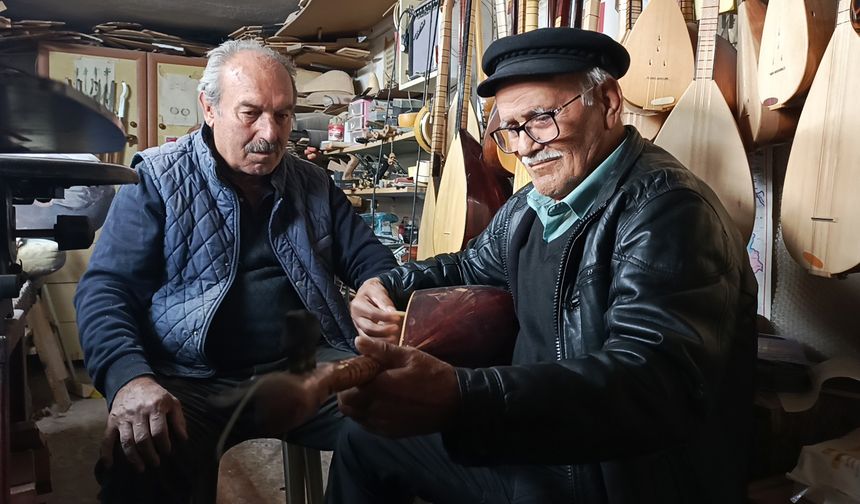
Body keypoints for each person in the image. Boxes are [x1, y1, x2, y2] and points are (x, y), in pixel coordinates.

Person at [335, 27, 758, 504]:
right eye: (510, 129)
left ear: (608, 101)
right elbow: (466, 267)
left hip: (613, 478)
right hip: (539, 445)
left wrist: (463, 396)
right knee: (363, 439)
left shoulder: (668, 211)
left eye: (540, 119)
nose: (524, 147)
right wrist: (386, 285)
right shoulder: (531, 207)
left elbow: (651, 382)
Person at [74, 39, 397, 503]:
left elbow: (368, 257)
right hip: (191, 378)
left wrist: (377, 284)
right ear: (209, 107)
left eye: (283, 115)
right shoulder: (157, 178)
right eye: (251, 113)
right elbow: (106, 290)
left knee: (403, 423)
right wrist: (129, 377)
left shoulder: (312, 182)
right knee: (143, 459)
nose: (270, 133)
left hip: (308, 367)